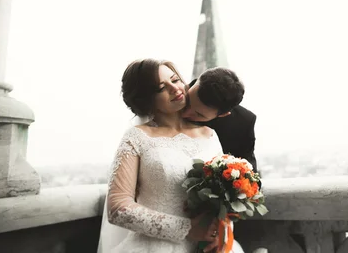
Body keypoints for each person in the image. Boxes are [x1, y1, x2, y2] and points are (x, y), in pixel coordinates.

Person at [97, 59, 245, 253]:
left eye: (175, 80)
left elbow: (224, 196)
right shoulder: (136, 137)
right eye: (161, 88)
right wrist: (187, 228)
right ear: (146, 99)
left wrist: (220, 234)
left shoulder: (209, 135)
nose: (175, 89)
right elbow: (118, 208)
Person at [181, 67, 258, 172]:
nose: (184, 114)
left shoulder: (243, 123)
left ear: (223, 115)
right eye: (188, 101)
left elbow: (250, 174)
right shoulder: (172, 93)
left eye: (198, 114)